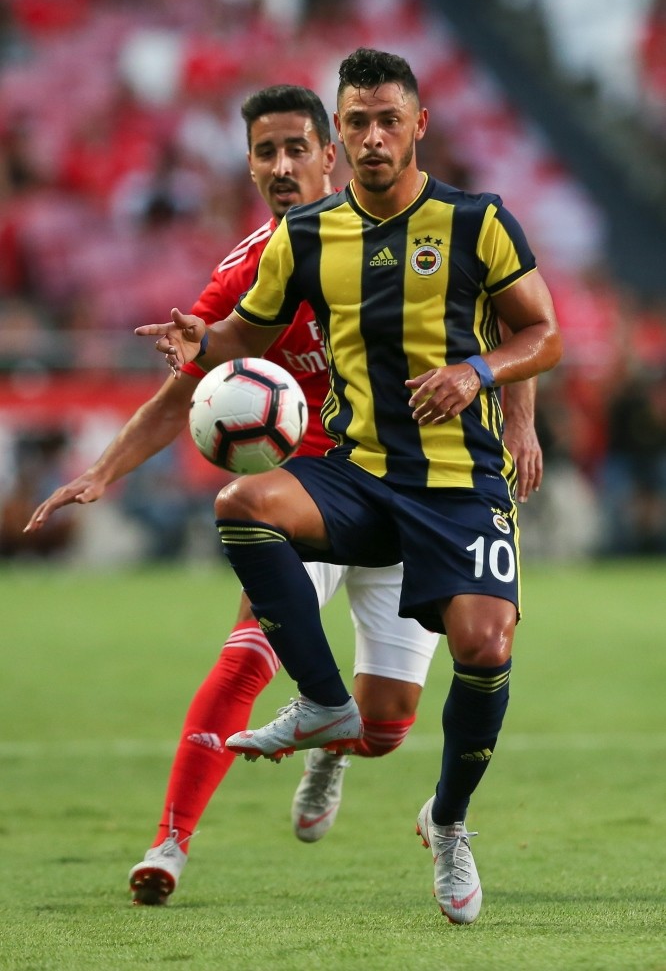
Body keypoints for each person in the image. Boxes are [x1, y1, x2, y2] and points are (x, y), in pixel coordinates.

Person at [24, 83, 540, 908]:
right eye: (266, 151)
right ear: (251, 165)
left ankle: (344, 746)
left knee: (393, 723)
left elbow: (507, 323)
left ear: (329, 153)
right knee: (246, 649)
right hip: (321, 487)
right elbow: (188, 379)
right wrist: (105, 470)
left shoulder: (436, 230)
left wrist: (518, 420)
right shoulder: (261, 263)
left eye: (297, 147)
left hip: (432, 486)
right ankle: (171, 843)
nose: (283, 165)